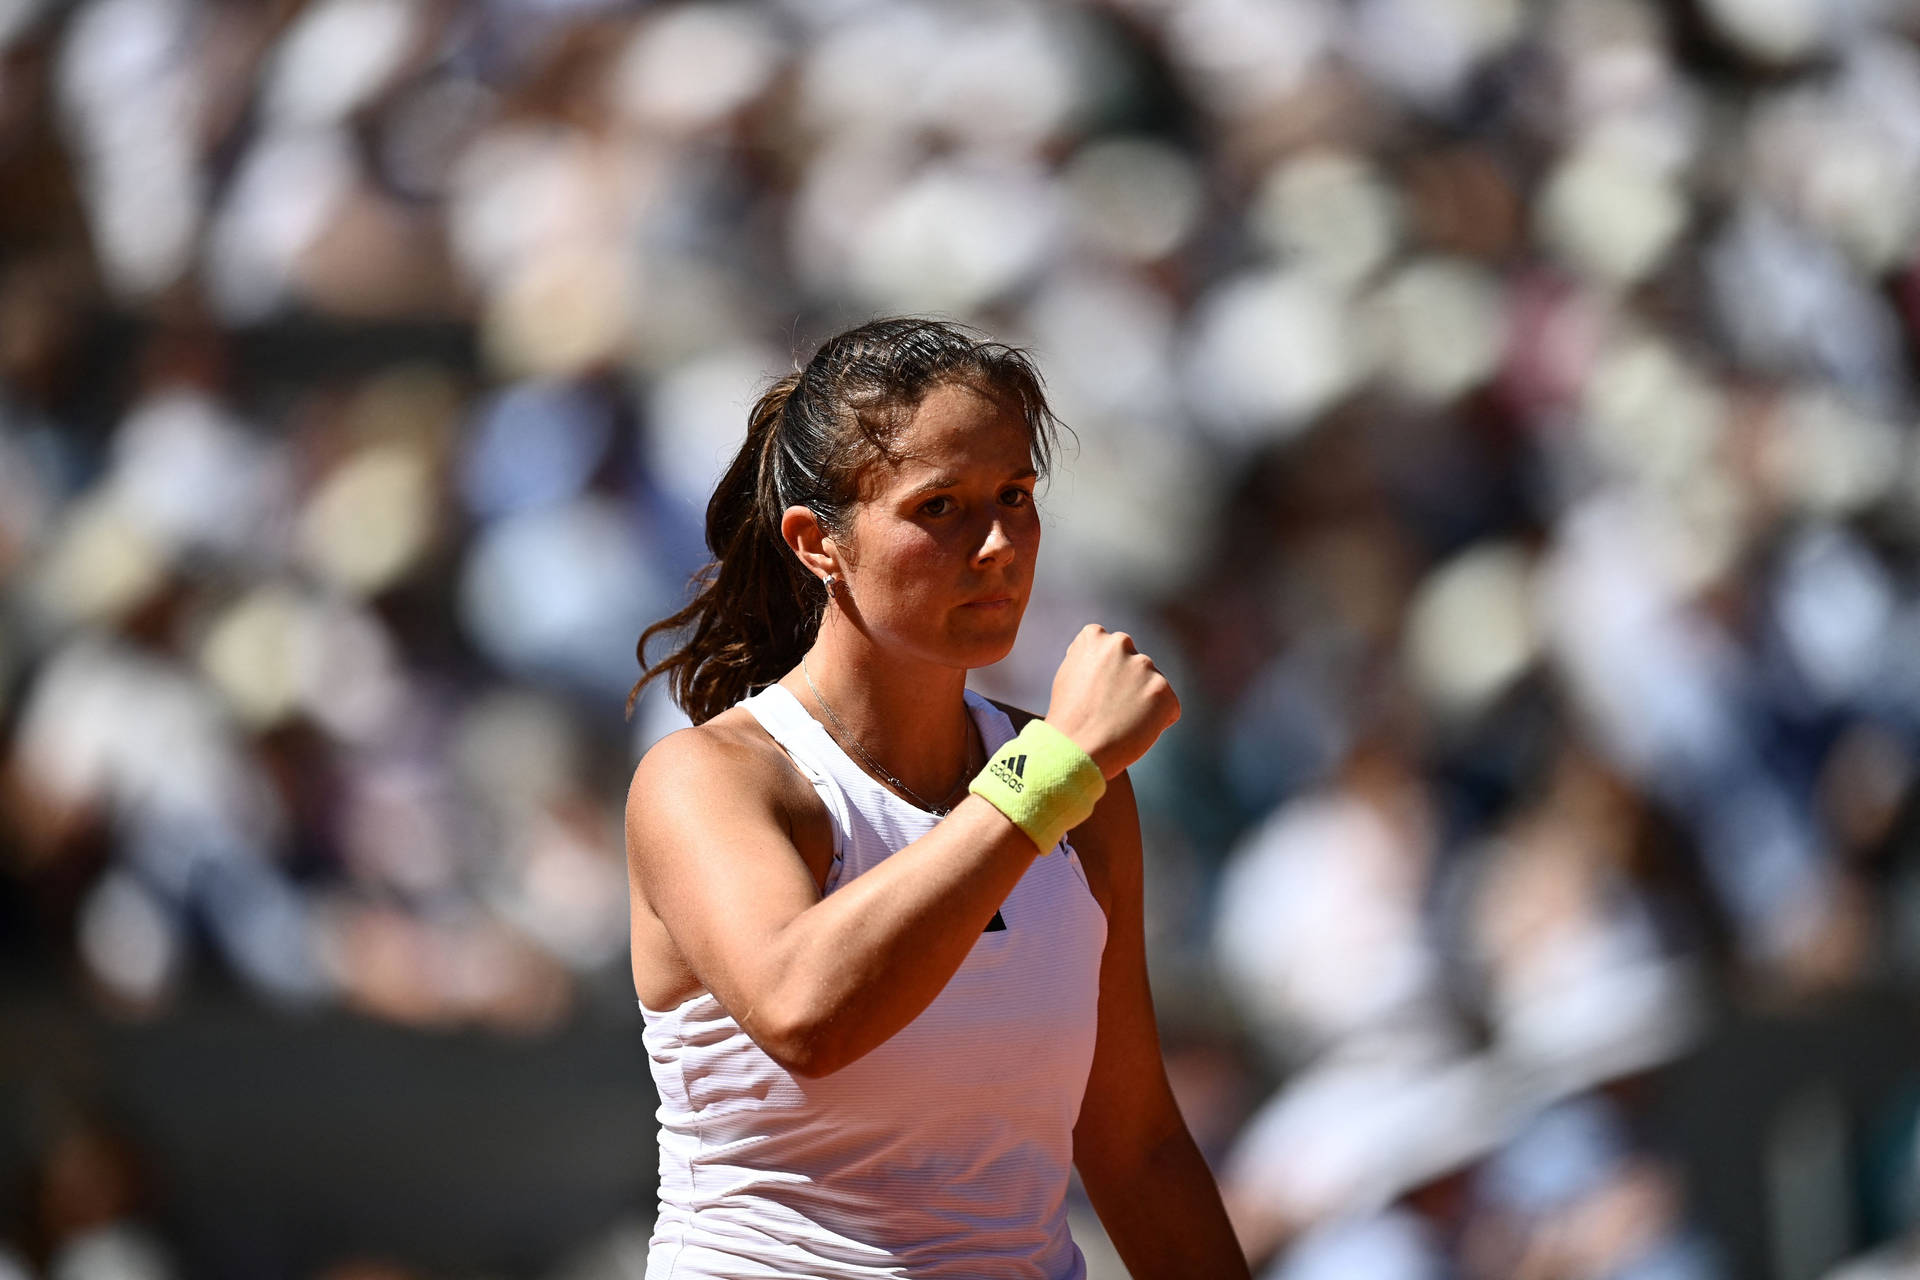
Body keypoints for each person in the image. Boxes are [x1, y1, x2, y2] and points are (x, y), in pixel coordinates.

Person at [624, 317, 1249, 1279]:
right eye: (941, 507)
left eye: (1015, 494)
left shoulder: (1076, 790)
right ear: (817, 543)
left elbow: (1135, 1145)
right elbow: (807, 1015)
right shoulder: (708, 778)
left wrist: (1059, 774)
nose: (999, 543)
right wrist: (1051, 771)